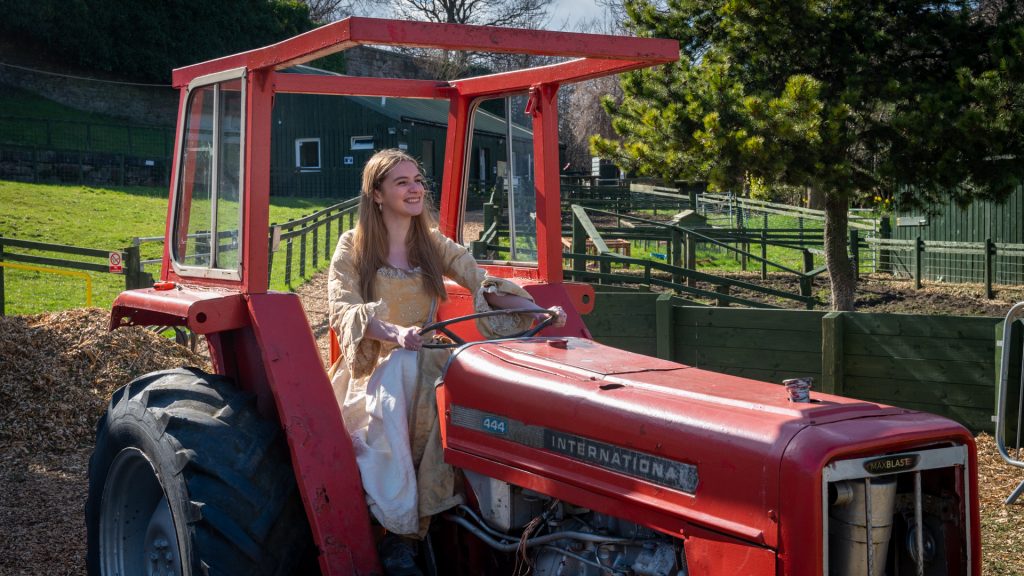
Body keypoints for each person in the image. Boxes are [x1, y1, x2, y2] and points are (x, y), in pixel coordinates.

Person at [327, 149, 566, 575]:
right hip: (378, 364)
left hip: (428, 357)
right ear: (377, 194)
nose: (415, 188)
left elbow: (482, 283)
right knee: (399, 380)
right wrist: (395, 333)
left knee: (470, 381)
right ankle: (397, 532)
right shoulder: (353, 246)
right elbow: (344, 310)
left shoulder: (430, 243)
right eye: (401, 182)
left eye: (417, 179)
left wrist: (534, 312)